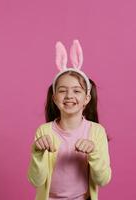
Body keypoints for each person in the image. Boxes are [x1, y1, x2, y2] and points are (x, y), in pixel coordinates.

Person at [27, 40, 112, 200]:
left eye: (76, 91)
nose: (69, 96)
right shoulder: (44, 131)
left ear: (86, 98)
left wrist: (93, 152)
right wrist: (37, 153)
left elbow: (103, 180)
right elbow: (35, 180)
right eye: (62, 91)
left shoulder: (96, 132)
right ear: (54, 98)